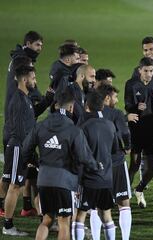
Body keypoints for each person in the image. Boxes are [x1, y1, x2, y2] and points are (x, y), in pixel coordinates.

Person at [21, 89, 100, 240]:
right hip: (64, 181)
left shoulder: (41, 125)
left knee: (47, 220)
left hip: (43, 180)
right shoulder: (73, 129)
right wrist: (96, 167)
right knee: (64, 223)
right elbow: (84, 157)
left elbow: (26, 148)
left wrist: (31, 162)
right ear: (71, 108)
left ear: (55, 105)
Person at [2, 65, 53, 236]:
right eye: (33, 78)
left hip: (24, 148)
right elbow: (21, 129)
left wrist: (47, 99)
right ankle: (8, 226)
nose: (35, 81)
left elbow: (31, 118)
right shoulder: (18, 99)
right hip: (19, 148)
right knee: (15, 186)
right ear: (25, 80)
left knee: (37, 183)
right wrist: (27, 152)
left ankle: (45, 220)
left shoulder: (24, 98)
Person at [2, 31, 44, 217]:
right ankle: (8, 222)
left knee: (13, 178)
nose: (40, 49)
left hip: (16, 134)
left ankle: (26, 207)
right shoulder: (23, 62)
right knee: (14, 183)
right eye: (37, 45)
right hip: (18, 139)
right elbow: (19, 132)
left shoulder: (20, 60)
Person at [88, 84, 132, 240]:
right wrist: (127, 146)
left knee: (95, 206)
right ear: (107, 98)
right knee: (123, 203)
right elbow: (125, 132)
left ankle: (95, 237)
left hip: (96, 166)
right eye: (115, 97)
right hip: (116, 163)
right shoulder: (116, 113)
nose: (117, 100)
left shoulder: (89, 114)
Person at [125, 57, 153, 208]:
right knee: (134, 164)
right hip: (137, 130)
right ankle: (124, 196)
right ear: (139, 70)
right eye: (146, 71)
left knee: (152, 168)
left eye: (151, 71)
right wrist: (136, 106)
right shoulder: (131, 84)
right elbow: (127, 105)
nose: (149, 74)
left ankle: (140, 188)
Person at [75, 91, 118, 240]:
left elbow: (80, 156)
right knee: (106, 215)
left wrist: (77, 182)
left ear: (87, 107)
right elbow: (115, 150)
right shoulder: (110, 125)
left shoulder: (84, 127)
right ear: (102, 107)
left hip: (88, 180)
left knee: (79, 216)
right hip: (106, 179)